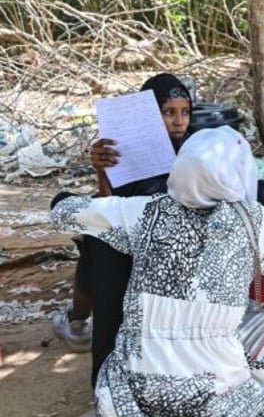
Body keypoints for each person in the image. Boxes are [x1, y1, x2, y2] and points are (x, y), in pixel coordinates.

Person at [50, 126, 264, 417]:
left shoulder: (143, 211)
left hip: (139, 400)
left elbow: (63, 212)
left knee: (106, 241)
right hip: (216, 403)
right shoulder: (254, 222)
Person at [52, 73, 193, 369]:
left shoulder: (194, 150)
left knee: (93, 238)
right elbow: (111, 205)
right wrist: (102, 171)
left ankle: (77, 322)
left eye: (185, 112)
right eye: (168, 112)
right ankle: (79, 323)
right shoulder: (124, 149)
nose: (179, 121)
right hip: (129, 228)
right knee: (90, 228)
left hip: (169, 242)